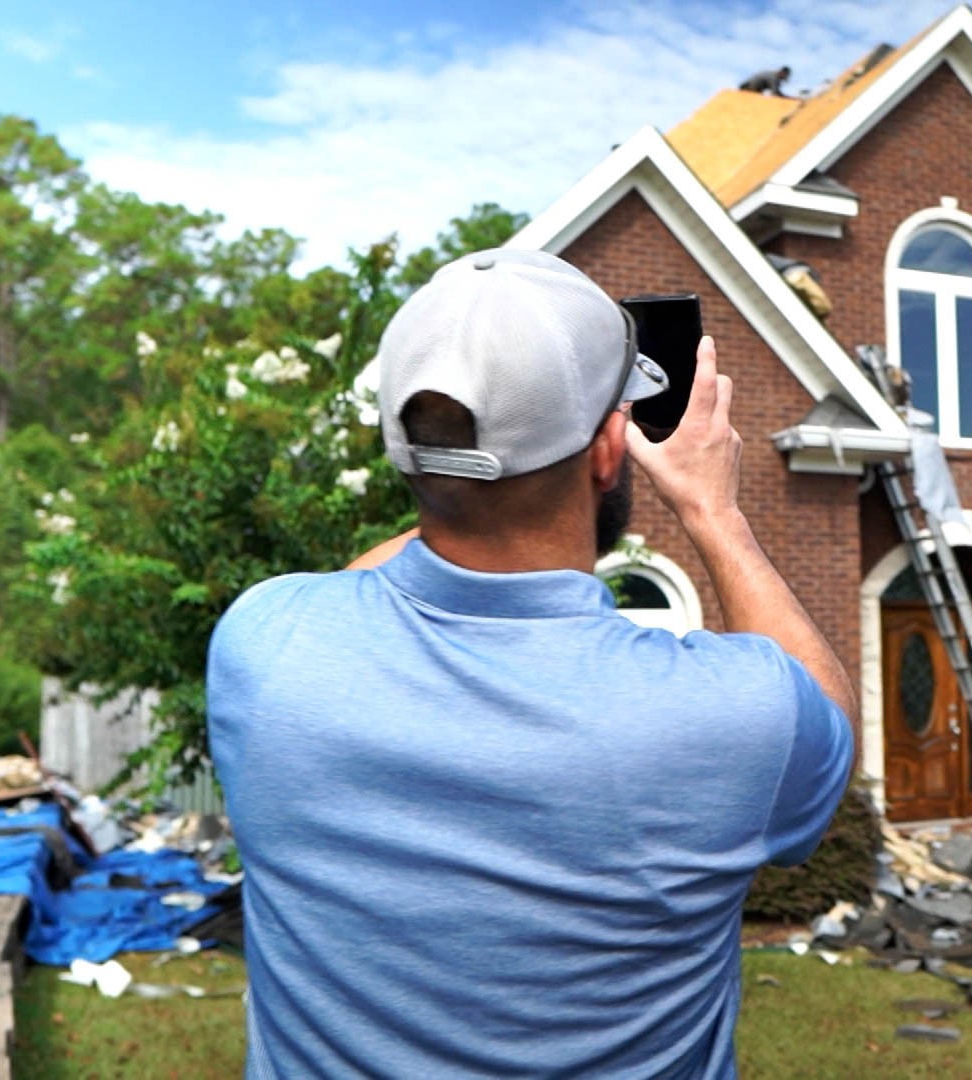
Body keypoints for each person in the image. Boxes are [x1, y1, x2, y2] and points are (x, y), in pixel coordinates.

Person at [206, 249, 856, 1078]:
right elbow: (827, 716)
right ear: (611, 447)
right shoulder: (730, 714)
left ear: (403, 449)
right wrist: (711, 509)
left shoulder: (265, 647)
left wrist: (469, 488)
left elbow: (370, 578)